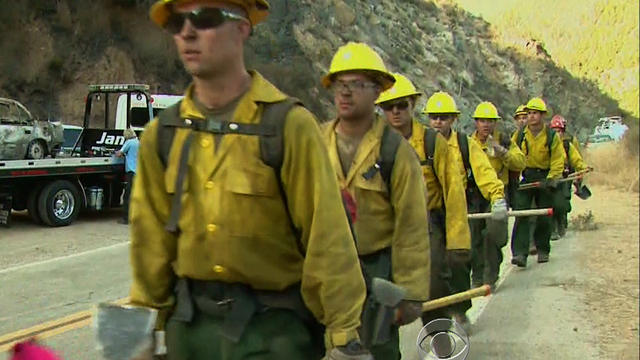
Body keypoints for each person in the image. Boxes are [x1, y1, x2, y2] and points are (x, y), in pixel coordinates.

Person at [130, 1, 370, 359]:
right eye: (178, 23)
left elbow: (328, 240)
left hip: (272, 336)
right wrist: (140, 335)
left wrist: (343, 337)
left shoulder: (288, 127)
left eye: (205, 19)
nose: (188, 32)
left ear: (242, 27)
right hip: (190, 336)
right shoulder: (162, 135)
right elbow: (150, 247)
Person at [320, 43, 430, 359]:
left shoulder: (395, 152)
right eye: (340, 85)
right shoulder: (314, 142)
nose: (346, 93)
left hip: (377, 269)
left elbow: (411, 227)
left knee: (379, 348)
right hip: (327, 267)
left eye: (357, 85)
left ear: (378, 91)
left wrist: (410, 293)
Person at [375, 74, 471, 330]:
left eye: (401, 105)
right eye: (388, 106)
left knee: (434, 287)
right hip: (388, 226)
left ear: (412, 105)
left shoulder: (432, 143)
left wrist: (458, 241)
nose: (395, 111)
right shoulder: (373, 145)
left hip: (428, 224)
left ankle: (440, 342)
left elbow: (454, 191)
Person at [422, 91, 506, 331]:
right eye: (435, 117)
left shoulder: (464, 145)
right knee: (433, 269)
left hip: (459, 211)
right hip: (428, 214)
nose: (439, 122)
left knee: (459, 262)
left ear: (453, 120)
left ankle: (459, 311)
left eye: (444, 117)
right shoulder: (421, 144)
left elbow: (484, 172)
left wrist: (497, 197)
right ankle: (437, 318)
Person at [470, 101, 525, 291]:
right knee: (474, 237)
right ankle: (477, 277)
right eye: (482, 120)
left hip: (499, 194)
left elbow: (520, 162)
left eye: (490, 121)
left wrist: (502, 152)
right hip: (475, 194)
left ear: (496, 123)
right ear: (476, 122)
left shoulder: (504, 141)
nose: (486, 125)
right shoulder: (468, 143)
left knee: (493, 236)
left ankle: (490, 276)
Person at [510, 97, 566, 267]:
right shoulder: (520, 135)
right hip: (526, 178)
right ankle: (520, 253)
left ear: (542, 116)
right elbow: (512, 156)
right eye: (529, 113)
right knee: (522, 214)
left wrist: (551, 179)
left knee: (544, 216)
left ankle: (543, 250)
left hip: (545, 178)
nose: (531, 117)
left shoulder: (551, 136)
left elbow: (558, 159)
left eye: (535, 113)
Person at [549, 114, 589, 240]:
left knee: (563, 202)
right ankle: (553, 228)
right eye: (554, 131)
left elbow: (577, 159)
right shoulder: (547, 145)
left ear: (563, 132)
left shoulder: (568, 144)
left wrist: (582, 169)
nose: (557, 134)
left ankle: (562, 222)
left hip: (566, 177)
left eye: (559, 131)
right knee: (551, 203)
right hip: (552, 177)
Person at [115, 128, 139, 225]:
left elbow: (119, 153)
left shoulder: (129, 142)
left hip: (131, 172)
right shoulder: (138, 142)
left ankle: (126, 218)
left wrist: (116, 152)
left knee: (127, 196)